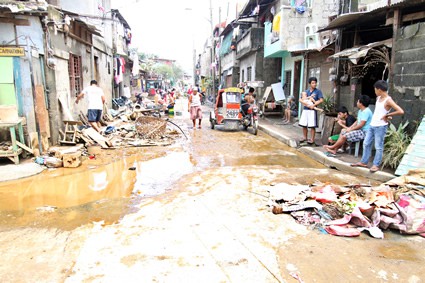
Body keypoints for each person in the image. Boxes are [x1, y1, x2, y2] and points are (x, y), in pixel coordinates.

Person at [351, 80, 404, 172]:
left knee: (378, 146)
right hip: (372, 124)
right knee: (366, 143)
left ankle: (376, 165)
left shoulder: (388, 100)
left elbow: (400, 111)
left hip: (381, 126)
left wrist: (388, 115)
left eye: (375, 89)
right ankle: (364, 162)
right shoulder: (378, 98)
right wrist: (387, 115)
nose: (374, 91)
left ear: (379, 89)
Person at [298, 77, 324, 145]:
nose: (314, 84)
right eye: (313, 83)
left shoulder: (318, 91)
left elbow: (321, 100)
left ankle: (312, 139)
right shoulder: (306, 91)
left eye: (315, 83)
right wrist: (305, 103)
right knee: (304, 124)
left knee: (312, 125)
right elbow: (300, 99)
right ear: (310, 84)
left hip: (312, 110)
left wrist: (314, 105)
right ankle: (305, 137)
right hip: (306, 109)